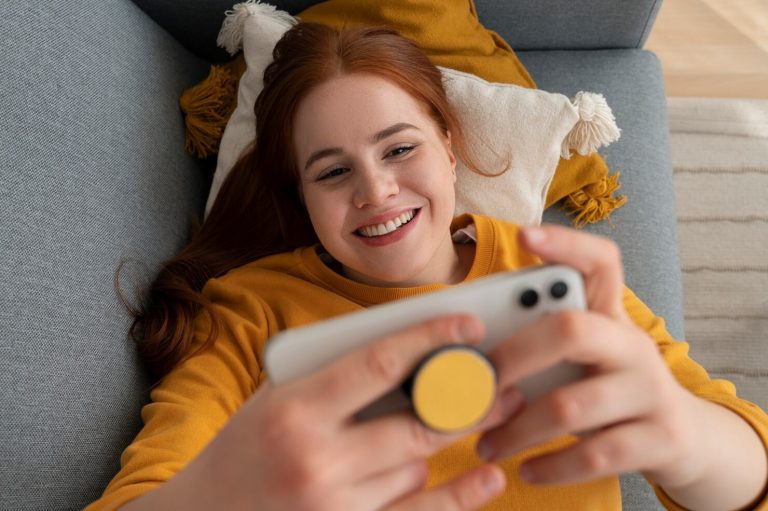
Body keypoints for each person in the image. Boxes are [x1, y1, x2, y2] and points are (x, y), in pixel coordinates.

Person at [87, 23, 767, 511]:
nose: (376, 191)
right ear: (300, 193)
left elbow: (750, 472)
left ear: (448, 146)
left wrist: (685, 435)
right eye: (332, 171)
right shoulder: (250, 309)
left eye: (399, 149)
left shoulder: (548, 276)